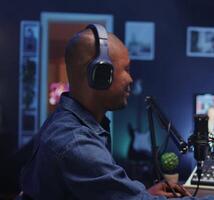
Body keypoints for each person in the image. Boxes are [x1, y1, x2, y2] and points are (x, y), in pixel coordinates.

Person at [20, 25, 191, 200]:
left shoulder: (72, 122)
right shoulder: (76, 143)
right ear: (100, 74)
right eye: (126, 69)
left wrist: (141, 194)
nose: (131, 79)